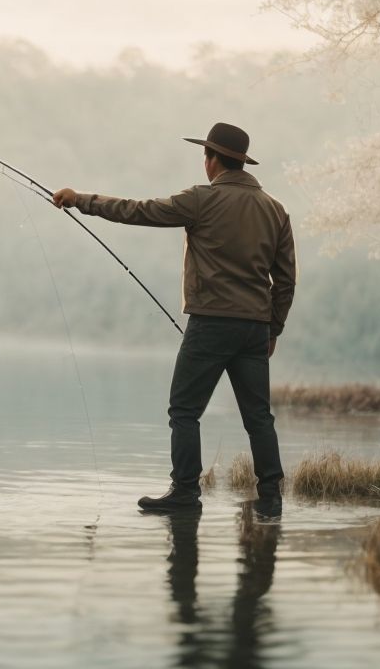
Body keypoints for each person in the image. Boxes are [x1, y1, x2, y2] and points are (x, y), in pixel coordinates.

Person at [51, 122, 296, 517]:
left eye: (205, 155)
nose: (204, 162)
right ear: (242, 162)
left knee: (184, 411)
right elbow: (285, 281)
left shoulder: (201, 200)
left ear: (213, 160)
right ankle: (271, 494)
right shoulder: (275, 210)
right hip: (254, 328)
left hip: (211, 324)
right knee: (258, 417)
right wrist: (274, 328)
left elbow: (138, 211)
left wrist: (82, 199)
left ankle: (185, 492)